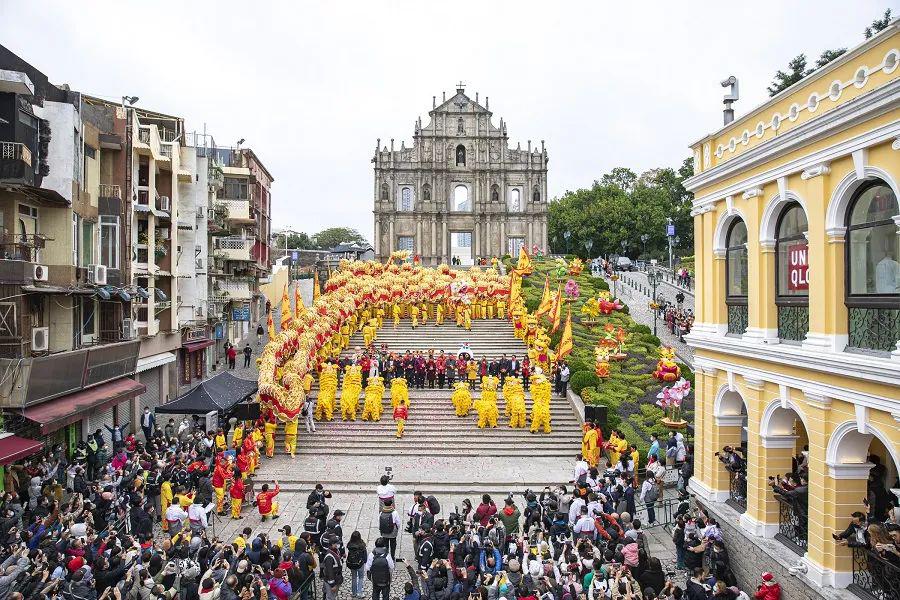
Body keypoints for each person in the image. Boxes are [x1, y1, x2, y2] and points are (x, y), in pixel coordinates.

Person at [346, 531, 368, 599]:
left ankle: (354, 593)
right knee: (361, 577)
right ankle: (359, 593)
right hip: (360, 563)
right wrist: (365, 561)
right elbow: (365, 555)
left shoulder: (349, 544)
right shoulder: (362, 545)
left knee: (354, 577)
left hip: (352, 563)